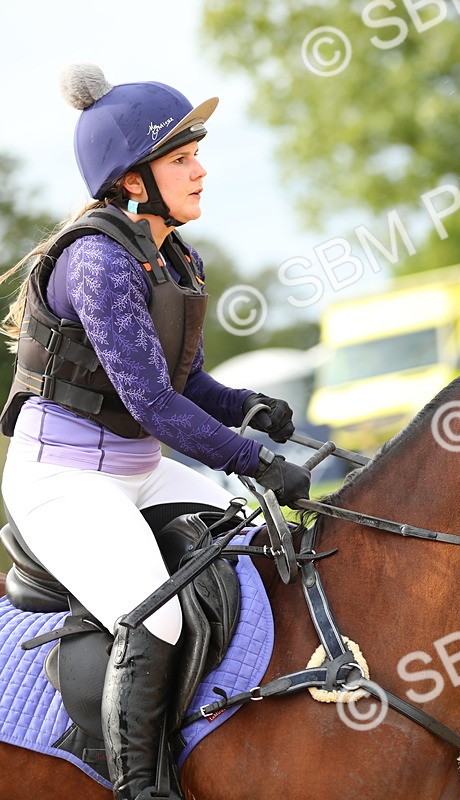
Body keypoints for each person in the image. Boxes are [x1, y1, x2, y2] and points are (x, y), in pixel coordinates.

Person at [0, 64, 310, 800]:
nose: (200, 170)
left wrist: (245, 408)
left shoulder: (172, 255)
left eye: (195, 154)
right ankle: (142, 788)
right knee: (158, 615)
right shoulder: (98, 262)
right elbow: (151, 404)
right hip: (64, 481)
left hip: (138, 470)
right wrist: (255, 460)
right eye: (181, 158)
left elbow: (186, 384)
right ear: (134, 181)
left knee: (248, 542)